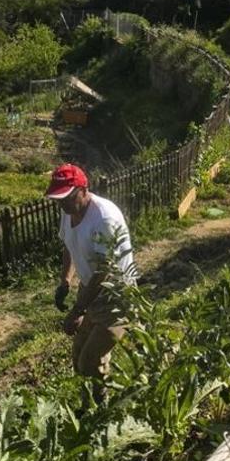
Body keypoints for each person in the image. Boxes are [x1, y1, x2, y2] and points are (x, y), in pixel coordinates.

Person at [46, 164, 137, 383]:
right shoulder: (69, 211)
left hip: (116, 296)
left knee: (90, 361)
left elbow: (102, 272)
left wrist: (78, 310)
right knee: (79, 356)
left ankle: (104, 407)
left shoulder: (103, 220)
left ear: (84, 189)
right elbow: (69, 245)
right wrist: (65, 281)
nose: (62, 204)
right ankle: (95, 405)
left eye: (67, 197)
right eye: (58, 199)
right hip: (91, 290)